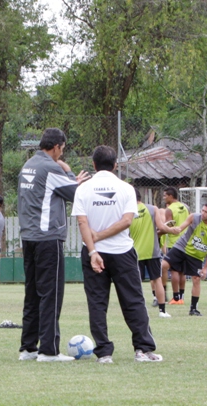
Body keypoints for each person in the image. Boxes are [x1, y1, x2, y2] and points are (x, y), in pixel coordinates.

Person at [73, 145, 162, 364]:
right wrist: (101, 238)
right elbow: (126, 221)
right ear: (115, 165)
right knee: (133, 301)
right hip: (122, 253)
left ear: (93, 165)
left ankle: (104, 353)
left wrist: (93, 247)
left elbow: (82, 222)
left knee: (97, 303)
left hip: (93, 254)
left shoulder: (83, 189)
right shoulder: (126, 188)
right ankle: (143, 350)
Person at [17, 127, 90, 363]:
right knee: (51, 294)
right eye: (62, 150)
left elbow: (54, 189)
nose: (62, 155)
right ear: (57, 146)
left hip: (29, 238)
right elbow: (77, 194)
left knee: (32, 294)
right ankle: (49, 351)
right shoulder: (52, 167)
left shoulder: (28, 165)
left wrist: (68, 180)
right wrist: (68, 172)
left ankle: (28, 348)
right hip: (48, 239)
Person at [129, 188, 181, 318]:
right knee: (157, 280)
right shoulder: (153, 209)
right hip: (152, 252)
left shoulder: (127, 212)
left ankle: (137, 311)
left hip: (135, 253)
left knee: (135, 283)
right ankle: (162, 311)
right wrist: (172, 230)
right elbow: (162, 227)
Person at [162, 203, 207, 316]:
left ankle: (193, 309)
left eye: (206, 212)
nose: (203, 213)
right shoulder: (194, 217)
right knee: (163, 266)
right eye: (202, 210)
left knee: (196, 279)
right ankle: (162, 295)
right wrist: (173, 229)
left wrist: (205, 267)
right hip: (181, 247)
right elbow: (181, 227)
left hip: (196, 255)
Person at [161, 187, 190, 305]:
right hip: (186, 242)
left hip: (175, 243)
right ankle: (181, 297)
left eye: (165, 196)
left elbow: (169, 225)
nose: (164, 198)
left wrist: (160, 230)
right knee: (182, 272)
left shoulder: (169, 209)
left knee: (174, 271)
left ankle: (176, 298)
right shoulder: (185, 207)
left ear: (170, 196)